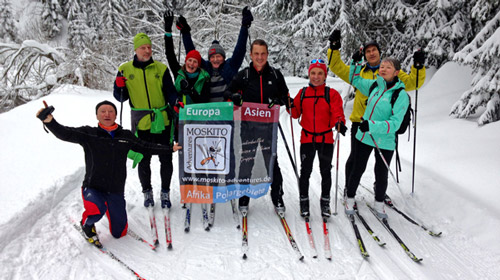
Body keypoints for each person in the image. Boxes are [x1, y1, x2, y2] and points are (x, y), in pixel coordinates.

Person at [36, 101, 181, 247]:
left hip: (115, 190)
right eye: (102, 111)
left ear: (116, 115)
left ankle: (107, 207)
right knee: (96, 210)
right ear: (97, 115)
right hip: (93, 187)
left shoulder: (125, 136)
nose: (107, 114)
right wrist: (50, 122)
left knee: (120, 232)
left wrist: (170, 149)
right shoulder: (89, 134)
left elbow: (146, 147)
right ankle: (86, 224)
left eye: (110, 111)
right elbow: (66, 133)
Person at [327, 29, 426, 197]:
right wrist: (334, 48)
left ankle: (379, 189)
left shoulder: (392, 71)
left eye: (374, 50)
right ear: (365, 55)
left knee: (382, 162)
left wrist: (418, 67)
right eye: (368, 51)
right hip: (361, 122)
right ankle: (349, 189)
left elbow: (413, 83)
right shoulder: (360, 71)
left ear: (380, 53)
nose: (371, 53)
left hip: (384, 126)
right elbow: (336, 66)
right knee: (356, 160)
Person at [113, 32, 178, 209]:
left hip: (162, 121)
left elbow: (171, 92)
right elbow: (120, 98)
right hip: (141, 122)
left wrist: (176, 102)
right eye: (143, 47)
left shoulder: (161, 69)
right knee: (143, 158)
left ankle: (165, 193)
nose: (147, 50)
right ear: (136, 49)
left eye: (149, 47)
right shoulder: (125, 69)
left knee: (166, 158)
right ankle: (147, 192)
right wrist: (119, 86)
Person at [224, 39, 289, 213]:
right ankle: (244, 197)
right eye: (256, 54)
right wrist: (235, 97)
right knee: (246, 162)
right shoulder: (244, 74)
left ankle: (278, 198)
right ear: (251, 55)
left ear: (267, 54)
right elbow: (228, 92)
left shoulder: (275, 75)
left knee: (272, 163)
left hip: (269, 130)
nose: (260, 57)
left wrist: (279, 100)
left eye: (263, 53)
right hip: (248, 128)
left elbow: (285, 96)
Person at [344, 57, 410, 219]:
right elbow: (355, 80)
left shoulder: (400, 95)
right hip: (365, 135)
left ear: (396, 72)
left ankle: (379, 203)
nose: (383, 69)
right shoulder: (375, 85)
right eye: (382, 66)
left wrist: (372, 125)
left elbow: (395, 124)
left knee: (381, 173)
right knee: (357, 168)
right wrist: (355, 63)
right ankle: (350, 198)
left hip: (385, 139)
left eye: (388, 67)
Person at [290, 59, 346, 218]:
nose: (316, 77)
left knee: (325, 171)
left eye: (320, 73)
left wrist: (339, 122)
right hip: (307, 138)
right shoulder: (302, 93)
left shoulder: (331, 94)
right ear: (309, 74)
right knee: (305, 171)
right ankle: (304, 200)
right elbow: (295, 114)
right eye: (313, 73)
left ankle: (325, 201)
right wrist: (289, 103)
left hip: (326, 139)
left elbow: (338, 113)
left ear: (325, 75)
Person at [175, 6, 253, 102]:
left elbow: (240, 49)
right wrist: (185, 32)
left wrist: (244, 27)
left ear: (223, 57)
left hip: (227, 112)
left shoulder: (230, 66)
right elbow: (191, 53)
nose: (215, 59)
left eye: (218, 56)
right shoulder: (206, 68)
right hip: (209, 113)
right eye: (212, 57)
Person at [164, 10, 210, 105]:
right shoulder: (178, 73)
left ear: (198, 65)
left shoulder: (204, 78)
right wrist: (168, 31)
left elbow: (204, 101)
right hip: (179, 117)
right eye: (189, 60)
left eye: (195, 62)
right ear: (186, 61)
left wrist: (191, 90)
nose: (191, 64)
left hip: (196, 118)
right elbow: (170, 54)